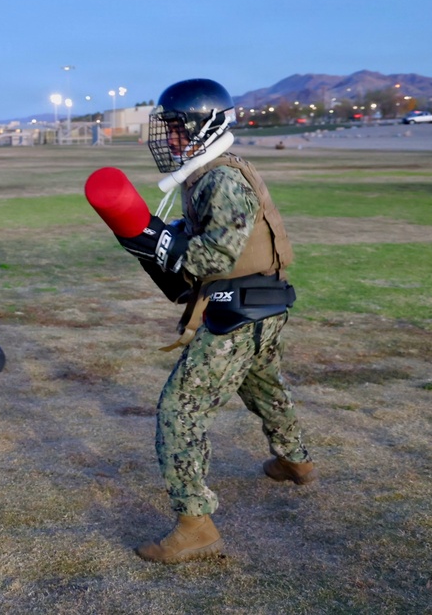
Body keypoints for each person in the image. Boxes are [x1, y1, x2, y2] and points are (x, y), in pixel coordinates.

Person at [113, 78, 316, 563]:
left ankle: (194, 525)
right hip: (261, 305)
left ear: (208, 126)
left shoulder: (221, 178)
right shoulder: (208, 173)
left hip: (241, 311)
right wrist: (160, 238)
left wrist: (165, 248)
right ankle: (295, 461)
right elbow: (213, 239)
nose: (171, 139)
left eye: (179, 129)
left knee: (179, 412)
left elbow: (219, 252)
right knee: (263, 385)